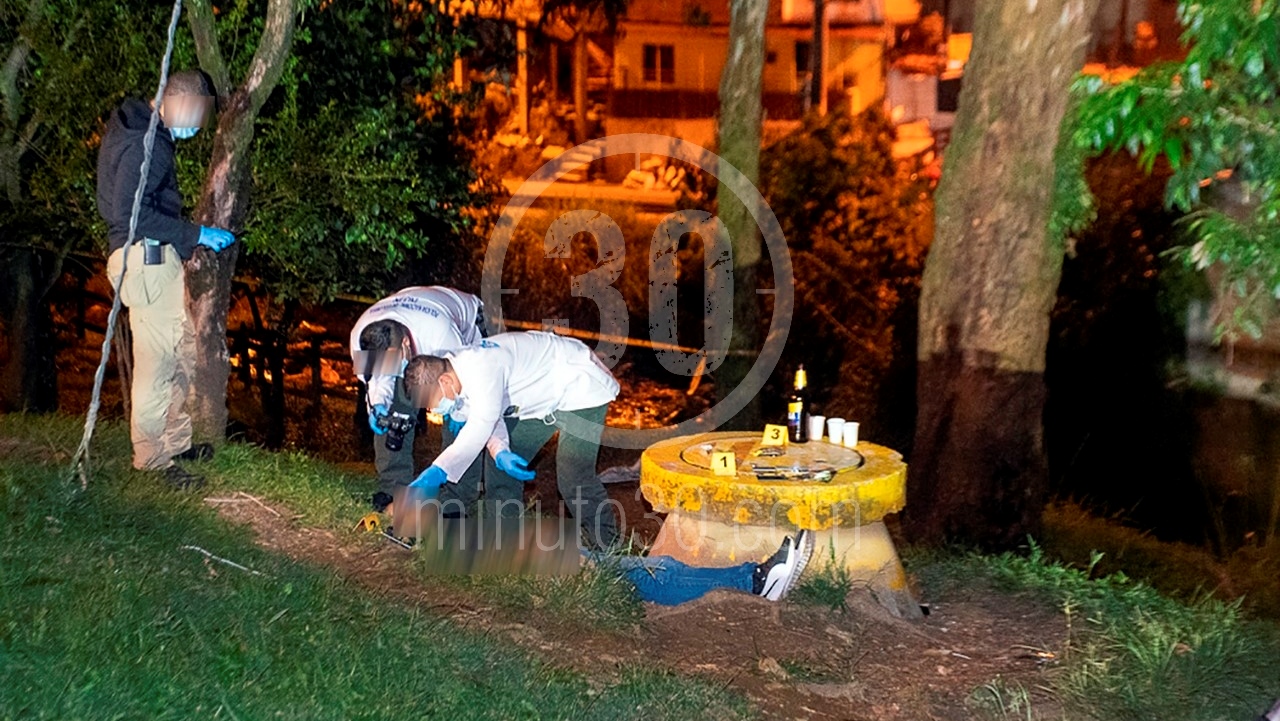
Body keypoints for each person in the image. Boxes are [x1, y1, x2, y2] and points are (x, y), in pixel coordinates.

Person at [96, 70, 235, 489]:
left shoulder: (146, 131)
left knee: (180, 352)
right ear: (177, 101)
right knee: (158, 362)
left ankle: (174, 443)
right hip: (146, 259)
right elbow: (131, 216)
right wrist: (196, 234)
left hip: (156, 260)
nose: (196, 125)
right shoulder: (147, 143)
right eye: (196, 114)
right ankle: (153, 459)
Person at [402, 331, 621, 548]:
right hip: (541, 399)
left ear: (444, 380)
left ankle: (606, 544)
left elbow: (482, 424)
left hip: (581, 388)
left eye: (432, 402)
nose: (433, 409)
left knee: (573, 474)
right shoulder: (456, 372)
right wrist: (501, 451)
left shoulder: (482, 368)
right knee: (500, 467)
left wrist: (437, 471)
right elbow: (492, 415)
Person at [349, 286, 484, 512]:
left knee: (460, 420)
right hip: (415, 313)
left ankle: (457, 497)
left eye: (391, 363)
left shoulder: (440, 336)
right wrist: (378, 406)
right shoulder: (360, 337)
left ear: (404, 345)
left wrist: (462, 410)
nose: (389, 370)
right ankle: (392, 487)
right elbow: (375, 381)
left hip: (472, 325)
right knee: (393, 409)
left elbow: (465, 382)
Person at [608, 531, 813, 605]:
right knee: (658, 575)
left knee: (666, 566)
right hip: (581, 567)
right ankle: (755, 583)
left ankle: (754, 576)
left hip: (580, 558)